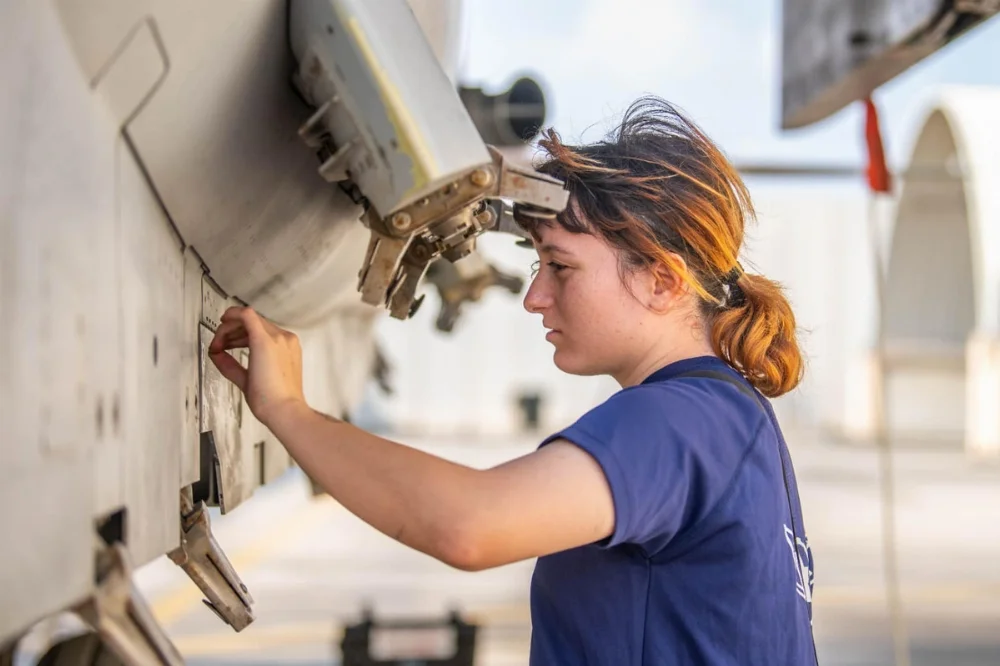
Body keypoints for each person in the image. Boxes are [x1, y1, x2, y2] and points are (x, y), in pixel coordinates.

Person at [209, 96, 816, 665]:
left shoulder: (680, 420)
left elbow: (469, 527)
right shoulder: (734, 418)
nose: (534, 297)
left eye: (560, 266)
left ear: (661, 280)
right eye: (536, 265)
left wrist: (287, 408)